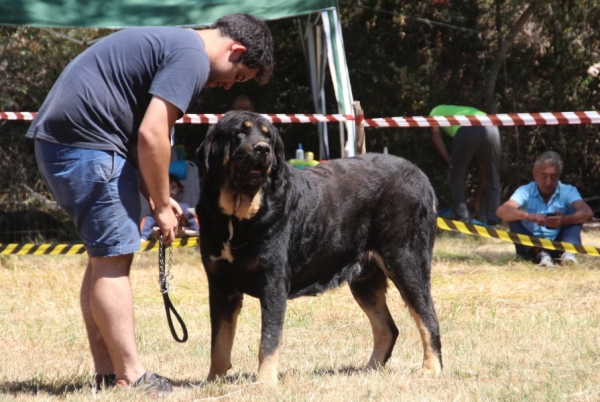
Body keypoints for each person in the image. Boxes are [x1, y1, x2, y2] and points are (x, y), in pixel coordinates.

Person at [26, 13, 273, 396]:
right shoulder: (191, 56)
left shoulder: (174, 43)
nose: (228, 85)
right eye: (238, 75)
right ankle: (130, 376)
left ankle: (109, 375)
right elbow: (152, 133)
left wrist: (153, 196)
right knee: (113, 257)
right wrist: (160, 204)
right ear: (235, 50)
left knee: (104, 257)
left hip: (67, 141)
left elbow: (140, 135)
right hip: (86, 144)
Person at [496, 151, 593, 266]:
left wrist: (564, 220)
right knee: (515, 218)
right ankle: (541, 254)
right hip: (531, 248)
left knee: (575, 214)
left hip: (559, 245)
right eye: (544, 176)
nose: (548, 182)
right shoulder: (525, 191)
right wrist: (529, 216)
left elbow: (587, 212)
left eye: (553, 177)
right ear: (535, 175)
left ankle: (568, 254)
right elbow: (502, 211)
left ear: (559, 176)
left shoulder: (568, 191)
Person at [429, 104, 501, 226]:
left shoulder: (434, 111)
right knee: (493, 176)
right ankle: (494, 222)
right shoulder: (467, 112)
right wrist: (475, 201)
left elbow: (435, 136)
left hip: (467, 128)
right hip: (492, 128)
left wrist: (450, 162)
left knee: (456, 177)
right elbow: (484, 173)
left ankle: (462, 222)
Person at [140, 174, 199, 241]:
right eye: (167, 188)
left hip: (180, 225)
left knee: (192, 216)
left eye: (173, 187)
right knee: (148, 218)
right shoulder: (157, 204)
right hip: (162, 223)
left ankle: (196, 231)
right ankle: (143, 237)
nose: (170, 190)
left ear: (178, 189)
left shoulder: (183, 206)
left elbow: (187, 215)